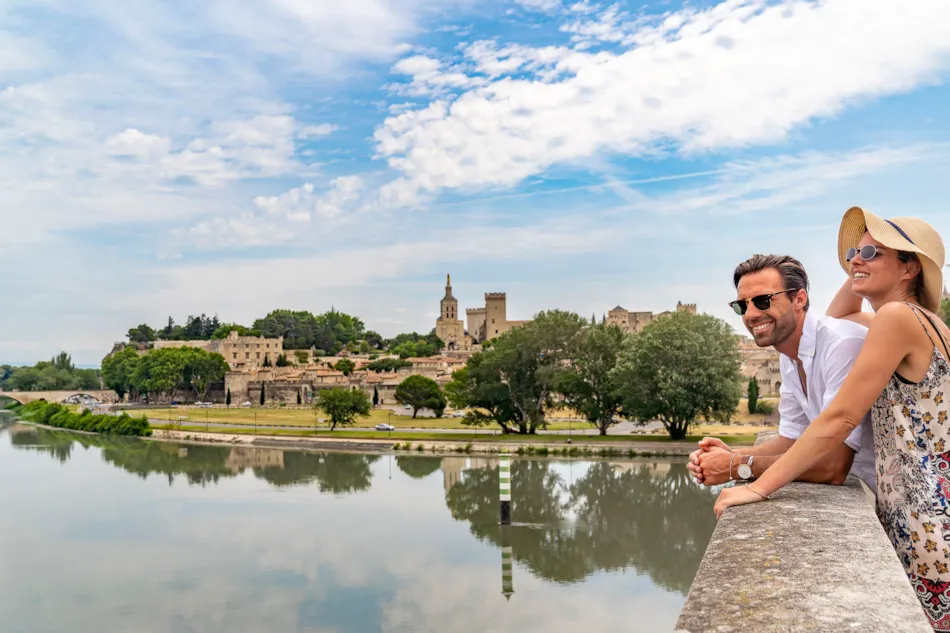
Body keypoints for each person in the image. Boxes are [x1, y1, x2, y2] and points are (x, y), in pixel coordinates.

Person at [714, 207, 949, 631]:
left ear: (909, 268)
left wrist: (759, 486)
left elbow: (839, 418)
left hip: (926, 514)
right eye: (854, 254)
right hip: (927, 502)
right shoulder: (911, 320)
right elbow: (832, 319)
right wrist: (866, 259)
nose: (855, 260)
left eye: (872, 253)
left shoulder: (896, 318)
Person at [687, 254, 875, 489]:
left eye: (763, 300)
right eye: (742, 305)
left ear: (799, 299)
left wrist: (737, 466)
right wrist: (726, 455)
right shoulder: (789, 353)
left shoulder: (840, 344)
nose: (751, 314)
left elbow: (833, 466)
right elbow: (792, 441)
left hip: (891, 504)